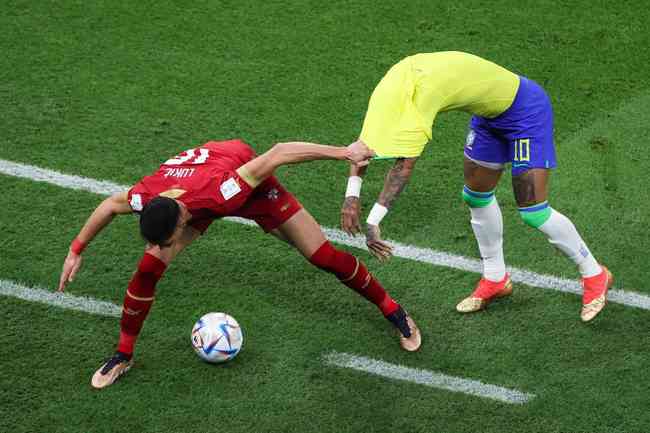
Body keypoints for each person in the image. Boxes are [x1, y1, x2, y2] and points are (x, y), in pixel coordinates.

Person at [58, 139, 421, 389]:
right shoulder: (143, 195)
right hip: (199, 190)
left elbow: (278, 153)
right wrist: (76, 248)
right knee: (148, 268)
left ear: (183, 218)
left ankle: (394, 311)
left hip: (246, 183)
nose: (170, 245)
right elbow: (107, 206)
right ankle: (123, 355)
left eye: (171, 237)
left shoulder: (220, 190)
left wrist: (346, 152)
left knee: (322, 255)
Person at [339, 51, 613, 322]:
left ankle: (594, 274)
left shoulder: (419, 108)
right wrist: (352, 196)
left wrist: (374, 220)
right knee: (476, 196)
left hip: (526, 110)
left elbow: (403, 167)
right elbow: (361, 149)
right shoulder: (387, 92)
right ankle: (495, 278)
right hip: (488, 118)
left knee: (533, 210)